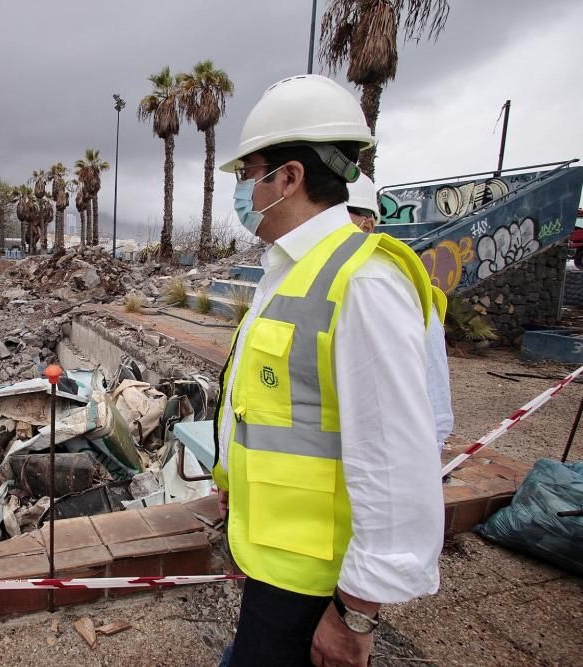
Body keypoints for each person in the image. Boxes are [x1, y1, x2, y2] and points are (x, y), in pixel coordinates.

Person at [213, 75, 444, 666]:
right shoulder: (287, 270)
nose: (241, 190)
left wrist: (355, 615)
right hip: (273, 561)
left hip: (317, 588)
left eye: (250, 172)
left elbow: (396, 462)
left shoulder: (363, 281)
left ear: (288, 177)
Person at [347, 174, 454, 451]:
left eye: (337, 217)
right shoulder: (314, 284)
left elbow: (434, 402)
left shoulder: (395, 290)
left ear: (367, 224)